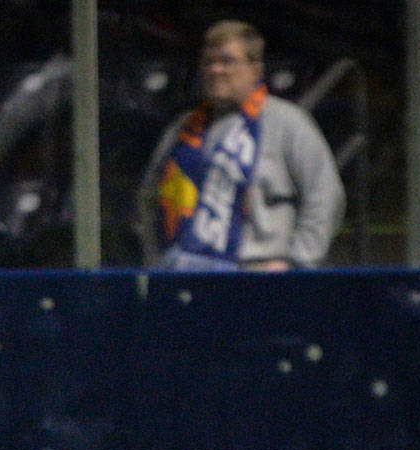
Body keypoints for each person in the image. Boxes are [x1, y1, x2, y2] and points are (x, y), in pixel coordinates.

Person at [136, 20, 345, 272]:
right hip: (183, 273)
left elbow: (324, 196)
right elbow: (149, 199)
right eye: (208, 62)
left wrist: (296, 263)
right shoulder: (183, 128)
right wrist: (156, 260)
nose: (216, 70)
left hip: (257, 275)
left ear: (255, 70)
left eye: (227, 61)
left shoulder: (287, 123)